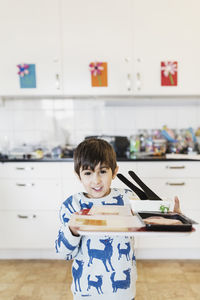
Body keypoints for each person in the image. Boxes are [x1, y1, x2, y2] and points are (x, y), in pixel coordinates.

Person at [55, 138, 181, 300]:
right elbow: (63, 253)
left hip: (123, 292)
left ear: (114, 171)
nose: (96, 180)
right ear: (78, 175)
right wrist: (72, 230)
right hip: (86, 294)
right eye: (88, 173)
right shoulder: (71, 206)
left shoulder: (129, 199)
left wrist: (172, 216)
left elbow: (151, 220)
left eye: (103, 171)